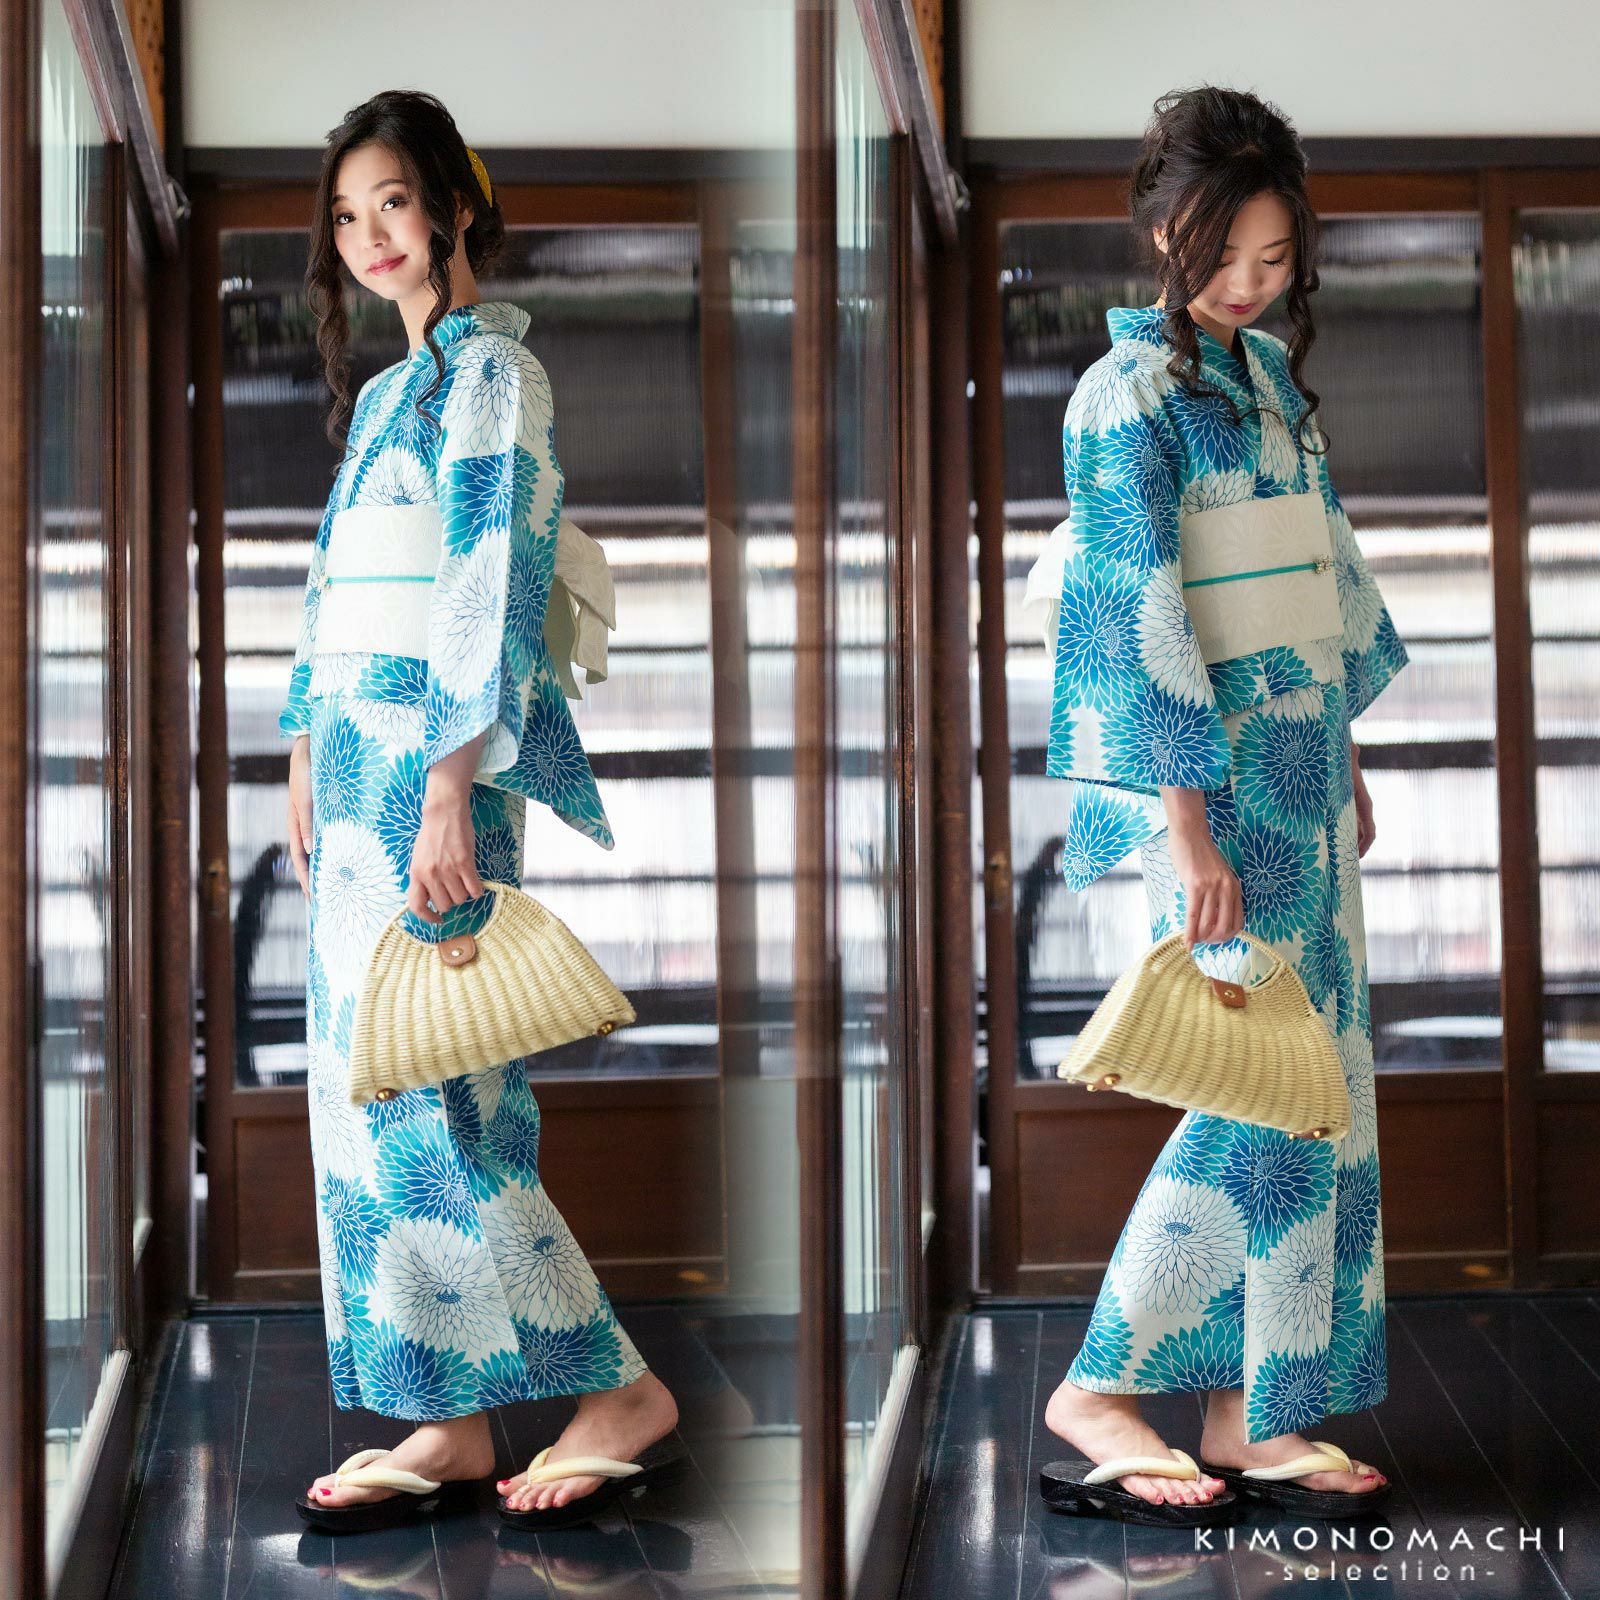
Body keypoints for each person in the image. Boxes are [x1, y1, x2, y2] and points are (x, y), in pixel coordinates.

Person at [279, 88, 679, 1530]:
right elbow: (335, 588)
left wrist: (453, 782)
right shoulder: (391, 392)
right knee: (366, 1098)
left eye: (393, 201)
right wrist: (301, 745)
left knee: (446, 1090)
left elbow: (489, 582)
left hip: (433, 773)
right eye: (347, 215)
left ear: (453, 205)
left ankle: (617, 1387)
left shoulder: (496, 375)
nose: (371, 235)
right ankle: (444, 1419)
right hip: (355, 772)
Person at [1034, 86, 1406, 1521]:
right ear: (1161, 235)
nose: (1249, 284)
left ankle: (1259, 1407)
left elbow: (1322, 582)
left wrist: (1345, 756)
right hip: (1209, 789)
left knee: (1321, 1094)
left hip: (1299, 778)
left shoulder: (1268, 385)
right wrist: (1183, 827)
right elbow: (1131, 613)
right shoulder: (1123, 398)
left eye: (1273, 258)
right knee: (1255, 1089)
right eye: (1224, 255)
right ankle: (1101, 1385)